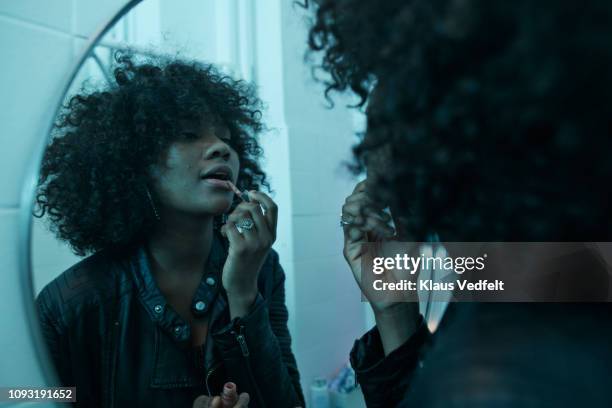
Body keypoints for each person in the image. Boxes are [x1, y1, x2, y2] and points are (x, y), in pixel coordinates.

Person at [305, 0, 612, 406]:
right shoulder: (546, 279)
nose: (368, 151)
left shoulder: (497, 374)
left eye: (390, 118)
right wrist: (395, 310)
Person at [34, 54, 304, 408]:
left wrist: (243, 294)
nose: (222, 148)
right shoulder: (70, 304)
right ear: (135, 162)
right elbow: (22, 395)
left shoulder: (262, 269)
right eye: (189, 135)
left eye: (226, 138)